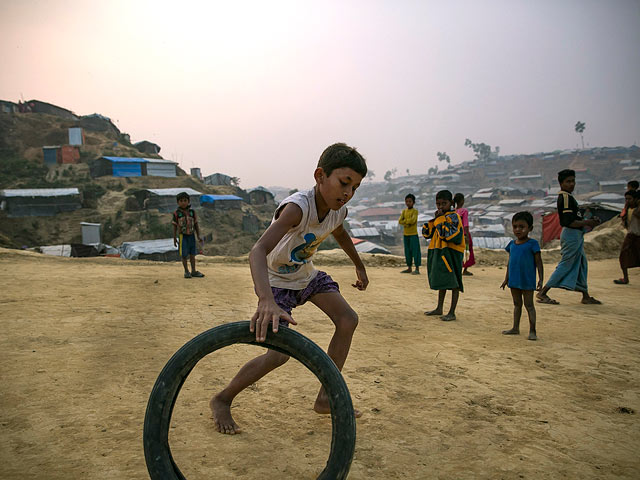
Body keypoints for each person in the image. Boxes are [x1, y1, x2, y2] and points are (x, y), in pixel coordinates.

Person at [211, 143, 369, 435]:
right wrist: (266, 300)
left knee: (348, 320)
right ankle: (223, 398)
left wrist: (358, 265)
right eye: (344, 183)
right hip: (275, 281)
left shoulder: (338, 210)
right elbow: (257, 251)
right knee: (278, 355)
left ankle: (326, 397)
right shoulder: (298, 208)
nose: (348, 193)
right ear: (320, 175)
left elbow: (341, 234)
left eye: (355, 187)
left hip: (305, 276)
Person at [536, 169, 601, 305]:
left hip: (576, 234)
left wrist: (587, 221)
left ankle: (585, 295)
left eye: (573, 181)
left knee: (582, 263)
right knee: (566, 264)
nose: (571, 184)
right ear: (561, 183)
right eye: (568, 182)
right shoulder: (565, 198)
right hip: (571, 234)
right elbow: (567, 221)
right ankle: (543, 293)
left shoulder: (569, 197)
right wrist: (588, 222)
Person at [422, 190, 465, 321]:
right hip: (439, 252)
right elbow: (426, 233)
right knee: (442, 280)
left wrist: (439, 219)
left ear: (451, 203)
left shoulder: (454, 217)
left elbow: (447, 235)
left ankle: (452, 312)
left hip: (452, 253)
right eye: (438, 204)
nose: (440, 207)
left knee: (454, 281)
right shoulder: (439, 218)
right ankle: (439, 308)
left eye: (444, 204)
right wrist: (436, 219)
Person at [500, 212, 544, 340]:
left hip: (527, 280)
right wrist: (506, 278)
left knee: (529, 305)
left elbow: (539, 263)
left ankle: (532, 330)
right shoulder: (512, 244)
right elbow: (510, 263)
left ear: (530, 228)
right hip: (514, 280)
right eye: (515, 227)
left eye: (522, 226)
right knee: (517, 304)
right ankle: (515, 328)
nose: (518, 230)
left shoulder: (532, 244)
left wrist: (541, 279)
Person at [172, 191, 204, 278]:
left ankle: (193, 271)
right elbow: (174, 226)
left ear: (188, 201)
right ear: (178, 202)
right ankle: (186, 271)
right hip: (183, 236)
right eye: (181, 201)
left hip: (191, 236)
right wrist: (174, 238)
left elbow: (196, 224)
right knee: (184, 255)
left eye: (185, 200)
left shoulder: (192, 212)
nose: (183, 203)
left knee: (192, 254)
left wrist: (198, 235)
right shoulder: (176, 213)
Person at [614, 190, 640, 284]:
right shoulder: (628, 209)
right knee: (623, 255)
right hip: (631, 234)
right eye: (626, 199)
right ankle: (625, 278)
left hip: (638, 235)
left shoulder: (637, 210)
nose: (627, 201)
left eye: (630, 199)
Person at [398, 193, 421, 274]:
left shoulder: (415, 211)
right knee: (407, 252)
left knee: (415, 251)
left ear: (413, 202)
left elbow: (413, 221)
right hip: (406, 234)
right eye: (406, 201)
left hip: (413, 234)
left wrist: (406, 222)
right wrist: (407, 222)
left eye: (410, 201)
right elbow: (400, 221)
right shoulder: (404, 211)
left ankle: (417, 268)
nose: (408, 203)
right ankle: (409, 267)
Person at [454, 193, 475, 276]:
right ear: (462, 201)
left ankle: (458, 268)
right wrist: (466, 235)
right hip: (464, 233)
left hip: (456, 234)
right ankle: (465, 269)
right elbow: (465, 224)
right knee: (468, 250)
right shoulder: (464, 211)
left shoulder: (454, 211)